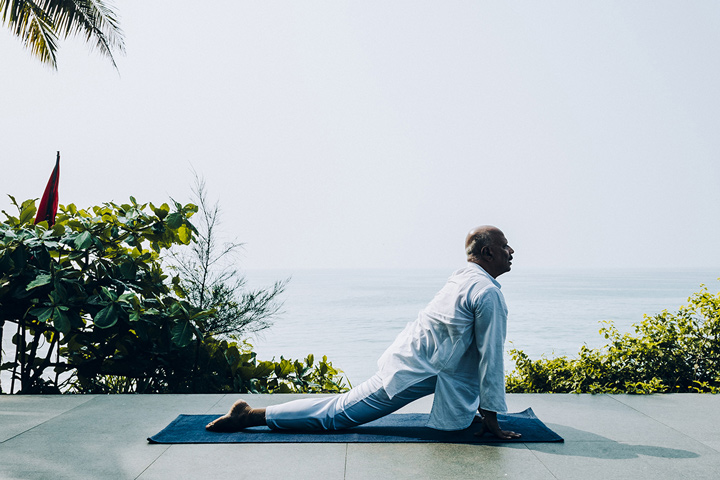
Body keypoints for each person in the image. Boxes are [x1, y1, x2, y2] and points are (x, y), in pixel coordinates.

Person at [206, 225, 521, 439]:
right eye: (505, 246)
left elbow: (475, 351)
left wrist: (482, 411)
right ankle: (249, 415)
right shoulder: (486, 292)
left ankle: (252, 414)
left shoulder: (465, 278)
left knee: (340, 410)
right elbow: (490, 358)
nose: (512, 251)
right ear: (488, 253)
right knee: (339, 414)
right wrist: (491, 417)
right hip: (415, 369)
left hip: (425, 361)